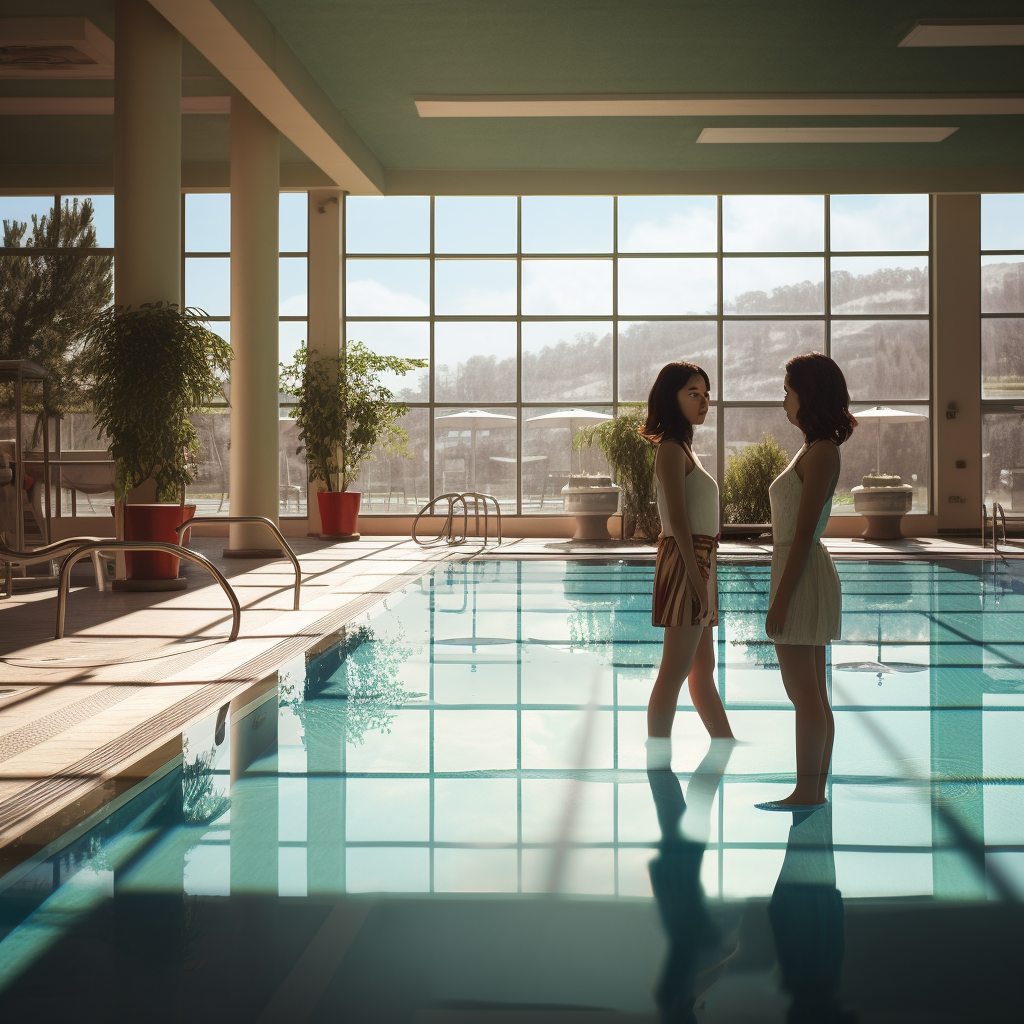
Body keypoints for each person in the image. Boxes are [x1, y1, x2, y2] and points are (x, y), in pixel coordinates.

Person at [759, 353, 856, 810]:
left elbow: (803, 531)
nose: (783, 401)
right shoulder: (813, 448)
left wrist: (780, 600)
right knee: (813, 694)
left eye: (786, 392)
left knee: (805, 696)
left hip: (800, 572)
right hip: (800, 567)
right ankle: (814, 789)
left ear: (807, 395)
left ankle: (807, 790)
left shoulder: (820, 453)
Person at [643, 362, 734, 770]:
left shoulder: (684, 449)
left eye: (706, 393)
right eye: (693, 393)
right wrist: (698, 583)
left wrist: (706, 577)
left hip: (699, 561)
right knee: (674, 671)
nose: (703, 401)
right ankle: (657, 760)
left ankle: (725, 743)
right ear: (671, 398)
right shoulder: (669, 449)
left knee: (702, 668)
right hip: (686, 562)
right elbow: (677, 522)